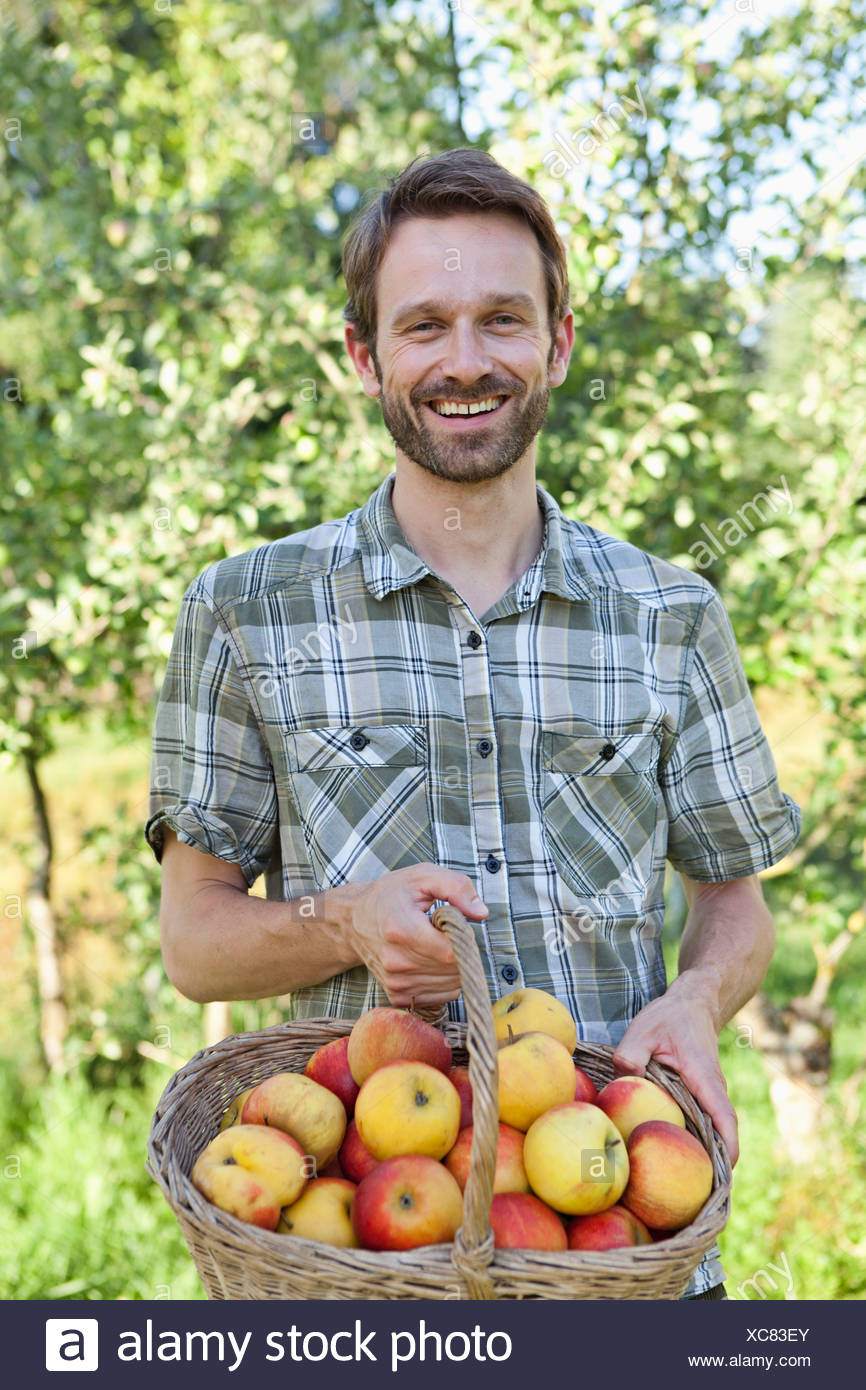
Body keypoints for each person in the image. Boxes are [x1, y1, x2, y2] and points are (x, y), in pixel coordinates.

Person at [145, 148, 801, 1299]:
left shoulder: (670, 614)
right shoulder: (246, 611)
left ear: (554, 343)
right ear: (364, 355)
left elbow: (733, 905)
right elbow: (194, 942)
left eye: (502, 318)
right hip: (351, 1267)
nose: (464, 361)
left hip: (618, 1261)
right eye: (422, 325)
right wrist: (345, 922)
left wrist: (696, 1000)